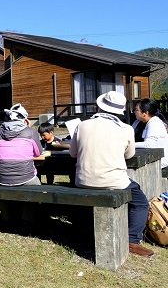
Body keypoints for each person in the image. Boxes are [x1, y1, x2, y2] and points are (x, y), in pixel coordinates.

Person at [69, 91, 153, 257]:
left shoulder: (83, 125)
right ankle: (132, 240)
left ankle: (84, 229)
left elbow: (72, 153)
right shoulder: (126, 129)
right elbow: (129, 155)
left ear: (100, 107)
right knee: (141, 203)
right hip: (115, 181)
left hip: (83, 180)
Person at [0, 103, 43, 186]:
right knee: (38, 187)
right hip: (27, 177)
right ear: (25, 119)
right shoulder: (31, 132)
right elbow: (38, 153)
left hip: (0, 178)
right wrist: (29, 128)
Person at [132, 98, 168, 168]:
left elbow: (148, 144)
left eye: (137, 110)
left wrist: (129, 145)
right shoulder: (137, 122)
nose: (134, 112)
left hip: (158, 161)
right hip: (145, 158)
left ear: (145, 113)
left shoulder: (154, 123)